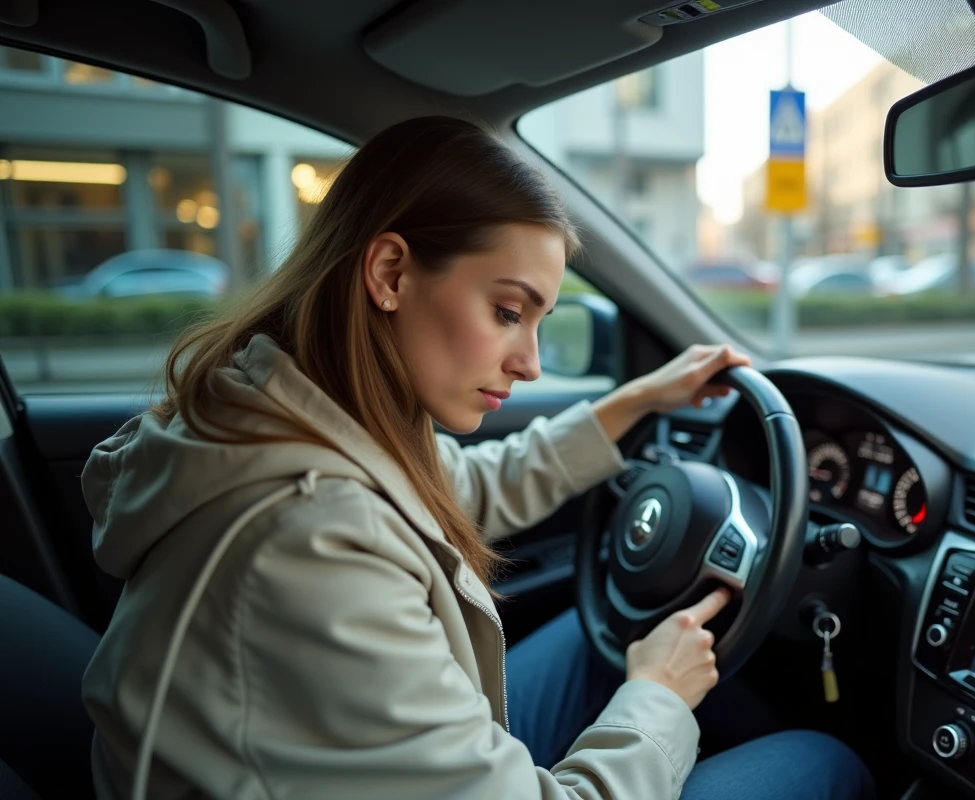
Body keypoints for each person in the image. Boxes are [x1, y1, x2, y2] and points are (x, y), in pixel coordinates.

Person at [81, 116, 875, 800]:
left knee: (584, 642)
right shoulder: (311, 539)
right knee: (823, 761)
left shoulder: (288, 415)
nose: (530, 362)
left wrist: (634, 402)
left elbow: (458, 489)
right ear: (390, 273)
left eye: (538, 322)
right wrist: (660, 698)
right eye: (506, 311)